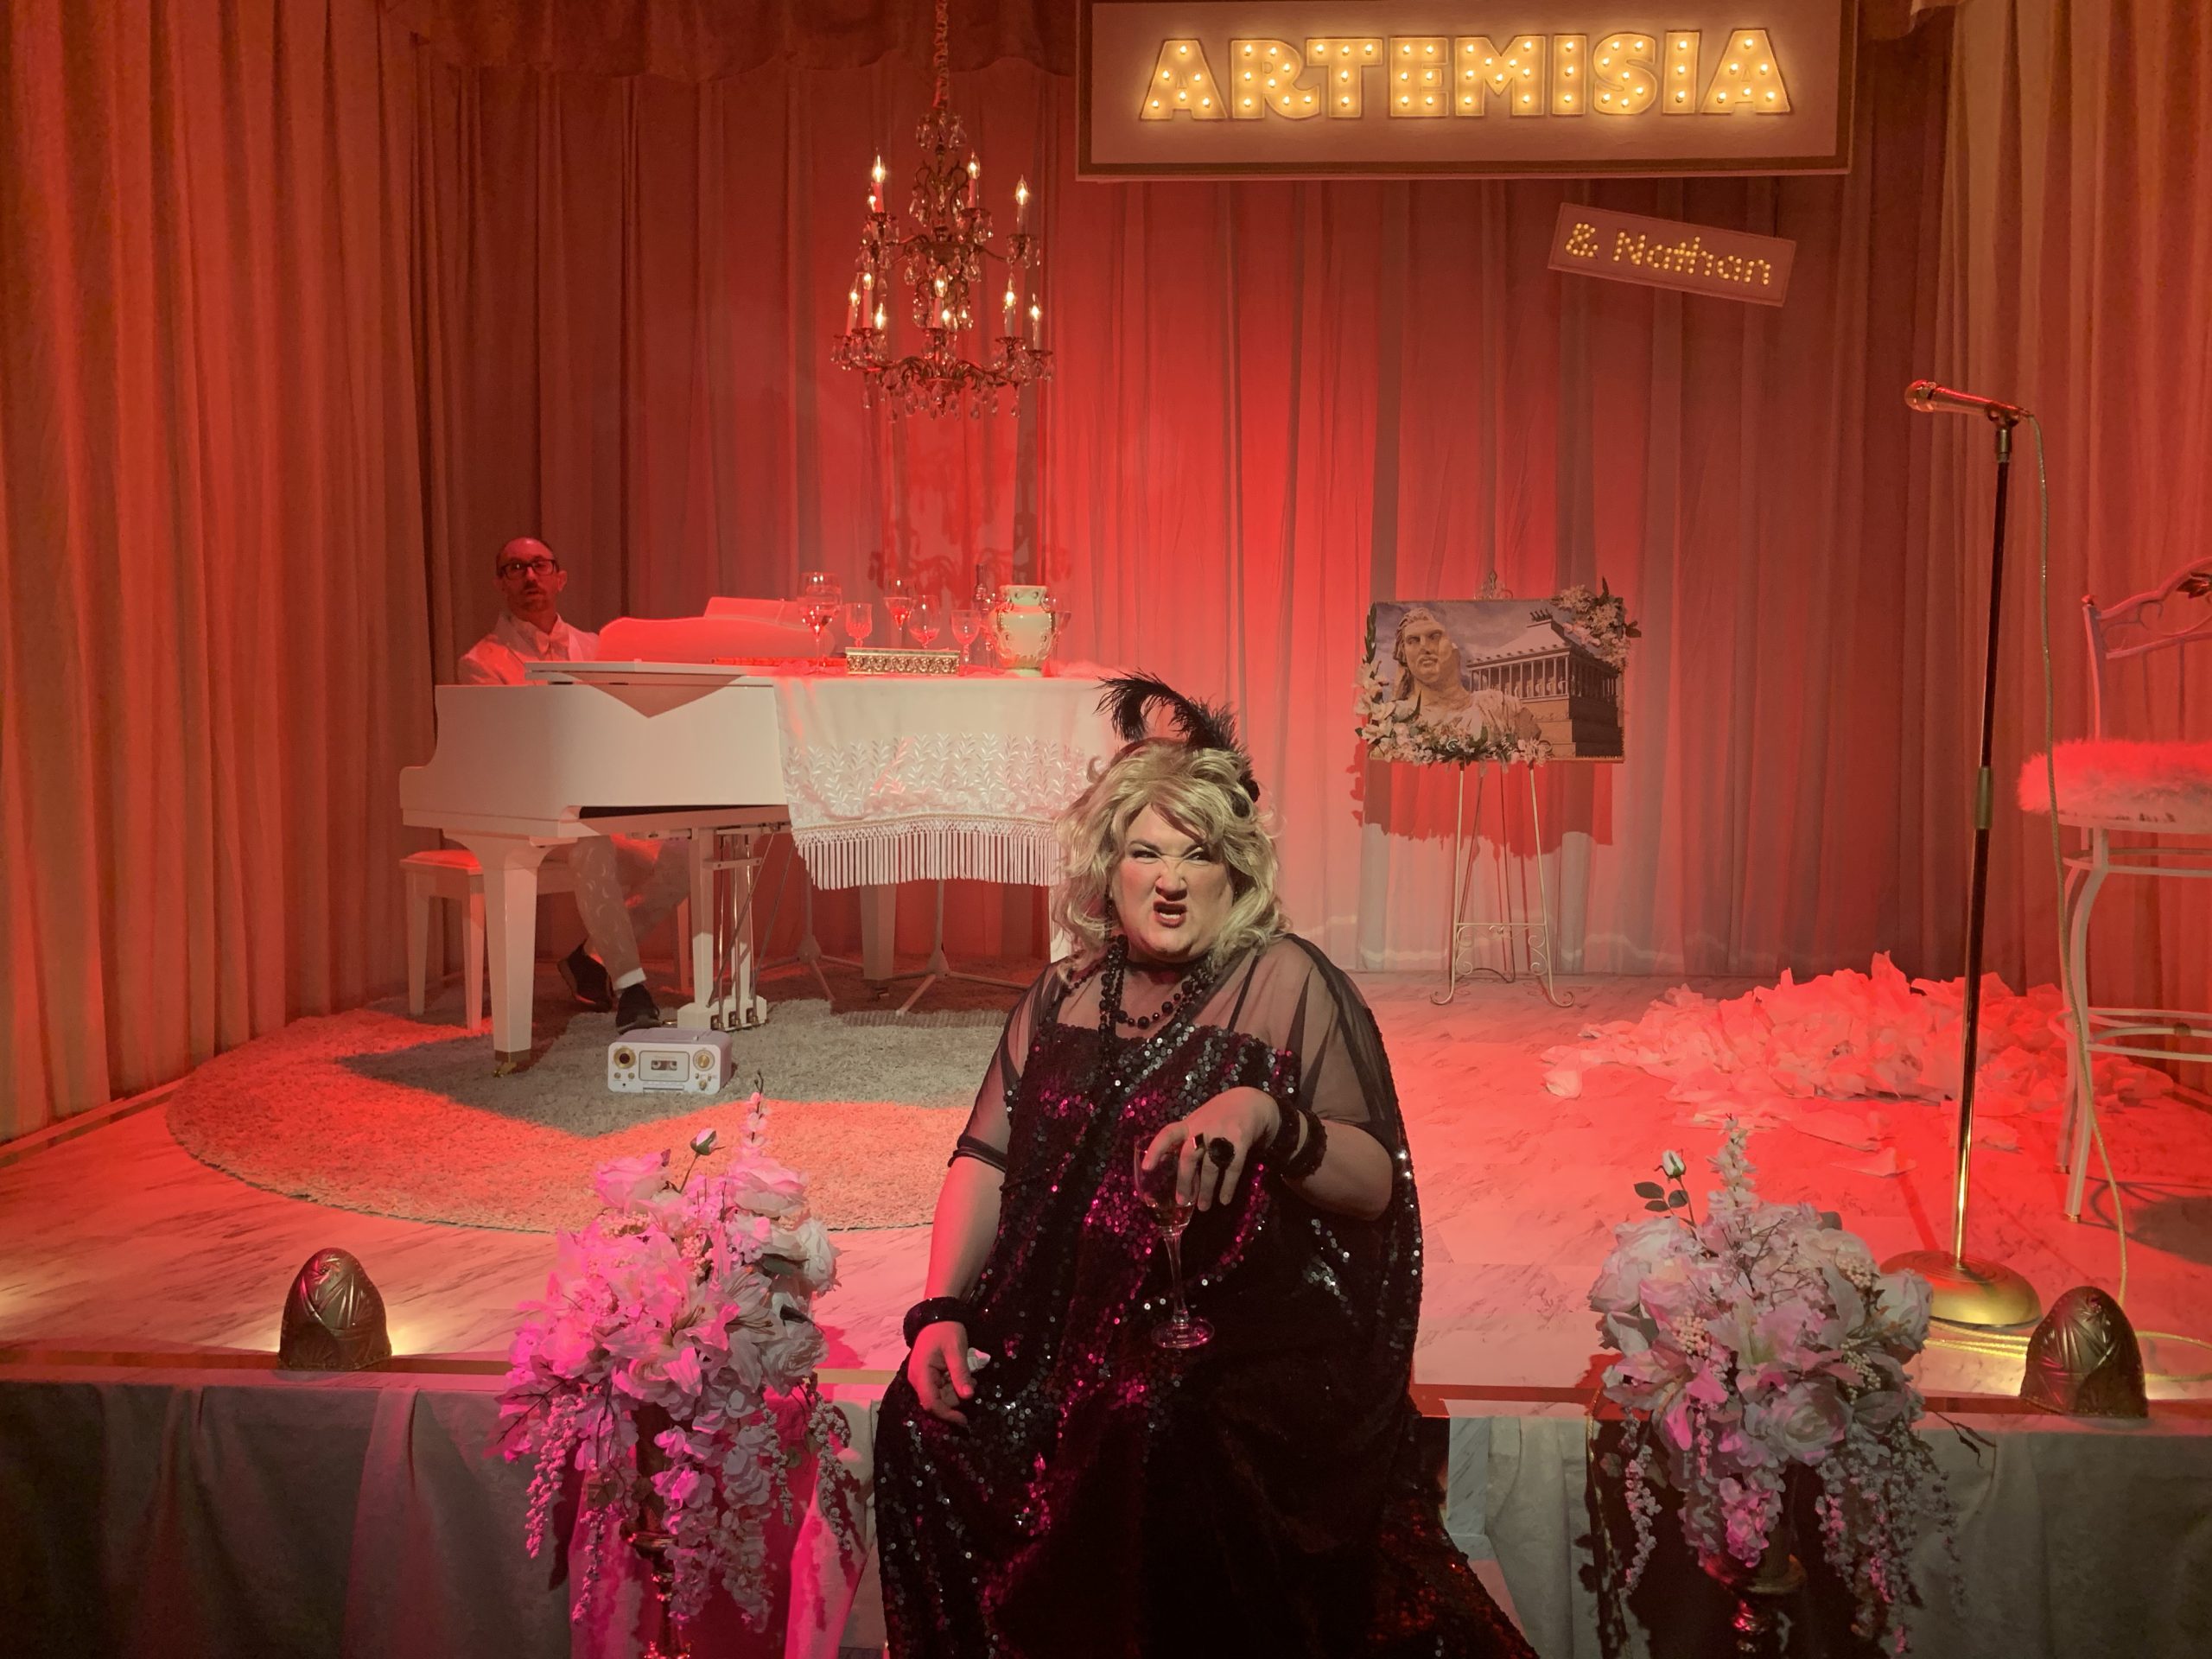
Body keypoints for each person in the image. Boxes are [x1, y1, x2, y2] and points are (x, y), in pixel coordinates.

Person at [874, 677, 1535, 1659]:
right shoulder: (1060, 996)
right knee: (918, 1420)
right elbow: (986, 1157)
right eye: (1146, 851)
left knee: (1154, 1422)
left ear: (1238, 874)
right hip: (1062, 1318)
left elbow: (1372, 1180)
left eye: (1200, 854)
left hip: (1238, 1332)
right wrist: (941, 1309)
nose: (1171, 878)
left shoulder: (1282, 980)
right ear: (1110, 867)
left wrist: (1267, 1115)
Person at [456, 536, 687, 1033]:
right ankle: (632, 988)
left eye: (539, 565)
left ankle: (591, 957)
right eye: (515, 568)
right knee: (590, 841)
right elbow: (504, 756)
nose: (530, 577)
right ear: (501, 584)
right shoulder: (482, 663)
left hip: (600, 803)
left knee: (683, 854)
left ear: (560, 577)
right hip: (529, 812)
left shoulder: (601, 648)